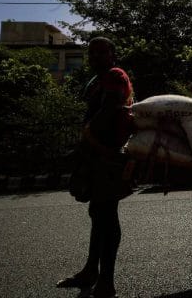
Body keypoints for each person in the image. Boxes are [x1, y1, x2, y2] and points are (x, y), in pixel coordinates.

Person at [57, 37, 134, 298]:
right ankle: (91, 271)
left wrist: (85, 139)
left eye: (102, 52)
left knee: (107, 215)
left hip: (107, 157)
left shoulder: (114, 75)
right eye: (92, 52)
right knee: (98, 214)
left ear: (113, 54)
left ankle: (107, 281)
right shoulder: (98, 79)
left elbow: (109, 110)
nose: (96, 56)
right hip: (95, 155)